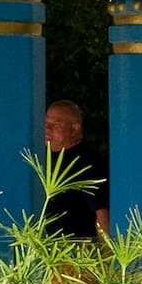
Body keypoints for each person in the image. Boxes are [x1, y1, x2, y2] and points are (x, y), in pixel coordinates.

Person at [43, 99, 110, 239]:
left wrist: (106, 253)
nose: (47, 130)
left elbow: (101, 210)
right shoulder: (43, 157)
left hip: (79, 249)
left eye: (55, 125)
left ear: (74, 129)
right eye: (45, 124)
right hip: (48, 248)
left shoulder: (87, 160)